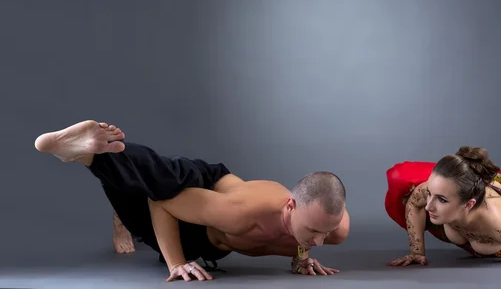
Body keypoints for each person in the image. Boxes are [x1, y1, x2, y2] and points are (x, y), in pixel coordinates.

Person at [34, 120, 350, 282]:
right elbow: (162, 202)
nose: (321, 242)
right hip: (206, 189)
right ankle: (88, 151)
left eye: (324, 232)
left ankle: (88, 163)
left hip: (208, 240)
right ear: (290, 207)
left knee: (136, 213)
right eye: (313, 232)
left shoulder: (330, 223)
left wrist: (300, 255)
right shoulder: (240, 214)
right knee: (159, 181)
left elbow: (317, 214)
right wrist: (177, 263)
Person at [384, 146, 501, 270]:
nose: (428, 205)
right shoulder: (431, 194)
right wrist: (417, 251)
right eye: (429, 195)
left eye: (441, 199)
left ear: (469, 205)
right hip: (465, 205)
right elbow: (414, 202)